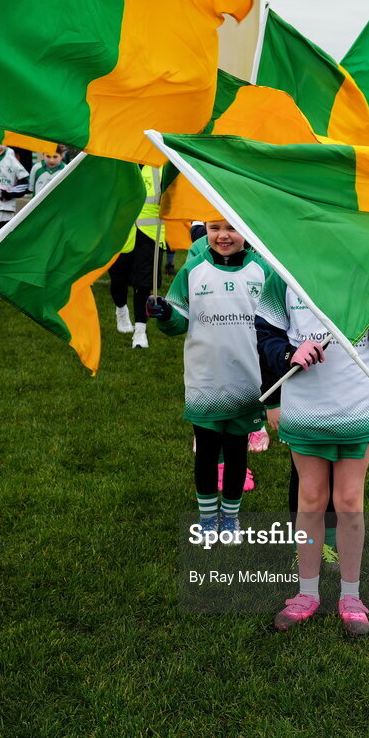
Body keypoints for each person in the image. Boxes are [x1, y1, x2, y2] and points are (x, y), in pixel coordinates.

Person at [256, 270, 369, 635]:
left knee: (350, 501)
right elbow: (266, 336)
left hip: (356, 406)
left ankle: (351, 596)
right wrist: (290, 352)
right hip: (306, 407)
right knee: (310, 499)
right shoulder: (283, 272)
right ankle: (307, 592)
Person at [147, 220, 271, 538]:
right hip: (205, 379)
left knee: (235, 453)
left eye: (232, 227)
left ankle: (230, 518)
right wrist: (166, 314)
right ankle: (206, 518)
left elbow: (276, 323)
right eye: (215, 228)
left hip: (248, 381)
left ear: (247, 231)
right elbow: (179, 318)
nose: (223, 235)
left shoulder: (263, 270)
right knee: (206, 451)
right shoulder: (194, 269)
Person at [109, 167, 165, 349]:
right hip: (121, 232)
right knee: (118, 279)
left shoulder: (161, 166)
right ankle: (121, 309)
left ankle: (140, 332)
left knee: (143, 284)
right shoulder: (119, 163)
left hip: (149, 235)